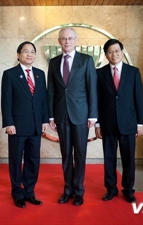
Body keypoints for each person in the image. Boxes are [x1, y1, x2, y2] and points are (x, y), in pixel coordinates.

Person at [47, 27, 98, 206]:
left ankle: (79, 191)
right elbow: (51, 91)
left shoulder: (86, 60)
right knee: (66, 154)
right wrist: (51, 117)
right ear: (59, 41)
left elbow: (92, 89)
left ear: (76, 40)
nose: (67, 42)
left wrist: (93, 115)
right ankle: (67, 189)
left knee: (80, 154)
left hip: (81, 116)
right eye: (63, 39)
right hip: (61, 116)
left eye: (70, 38)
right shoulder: (53, 63)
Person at [95, 39, 143, 203]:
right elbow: (97, 101)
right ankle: (111, 189)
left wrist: (139, 123)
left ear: (122, 52)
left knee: (128, 158)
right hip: (107, 123)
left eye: (116, 51)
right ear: (106, 54)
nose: (114, 54)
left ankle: (128, 189)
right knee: (109, 158)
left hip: (128, 123)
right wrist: (97, 124)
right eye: (110, 51)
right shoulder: (99, 74)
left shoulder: (133, 72)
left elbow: (138, 99)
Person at [1, 41, 49, 208]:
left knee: (33, 160)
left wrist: (45, 120)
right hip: (17, 126)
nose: (30, 54)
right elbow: (6, 101)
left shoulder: (40, 74)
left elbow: (43, 100)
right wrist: (9, 123)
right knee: (15, 161)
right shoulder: (10, 74)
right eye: (26, 51)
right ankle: (17, 193)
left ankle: (30, 192)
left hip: (36, 126)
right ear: (18, 55)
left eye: (32, 52)